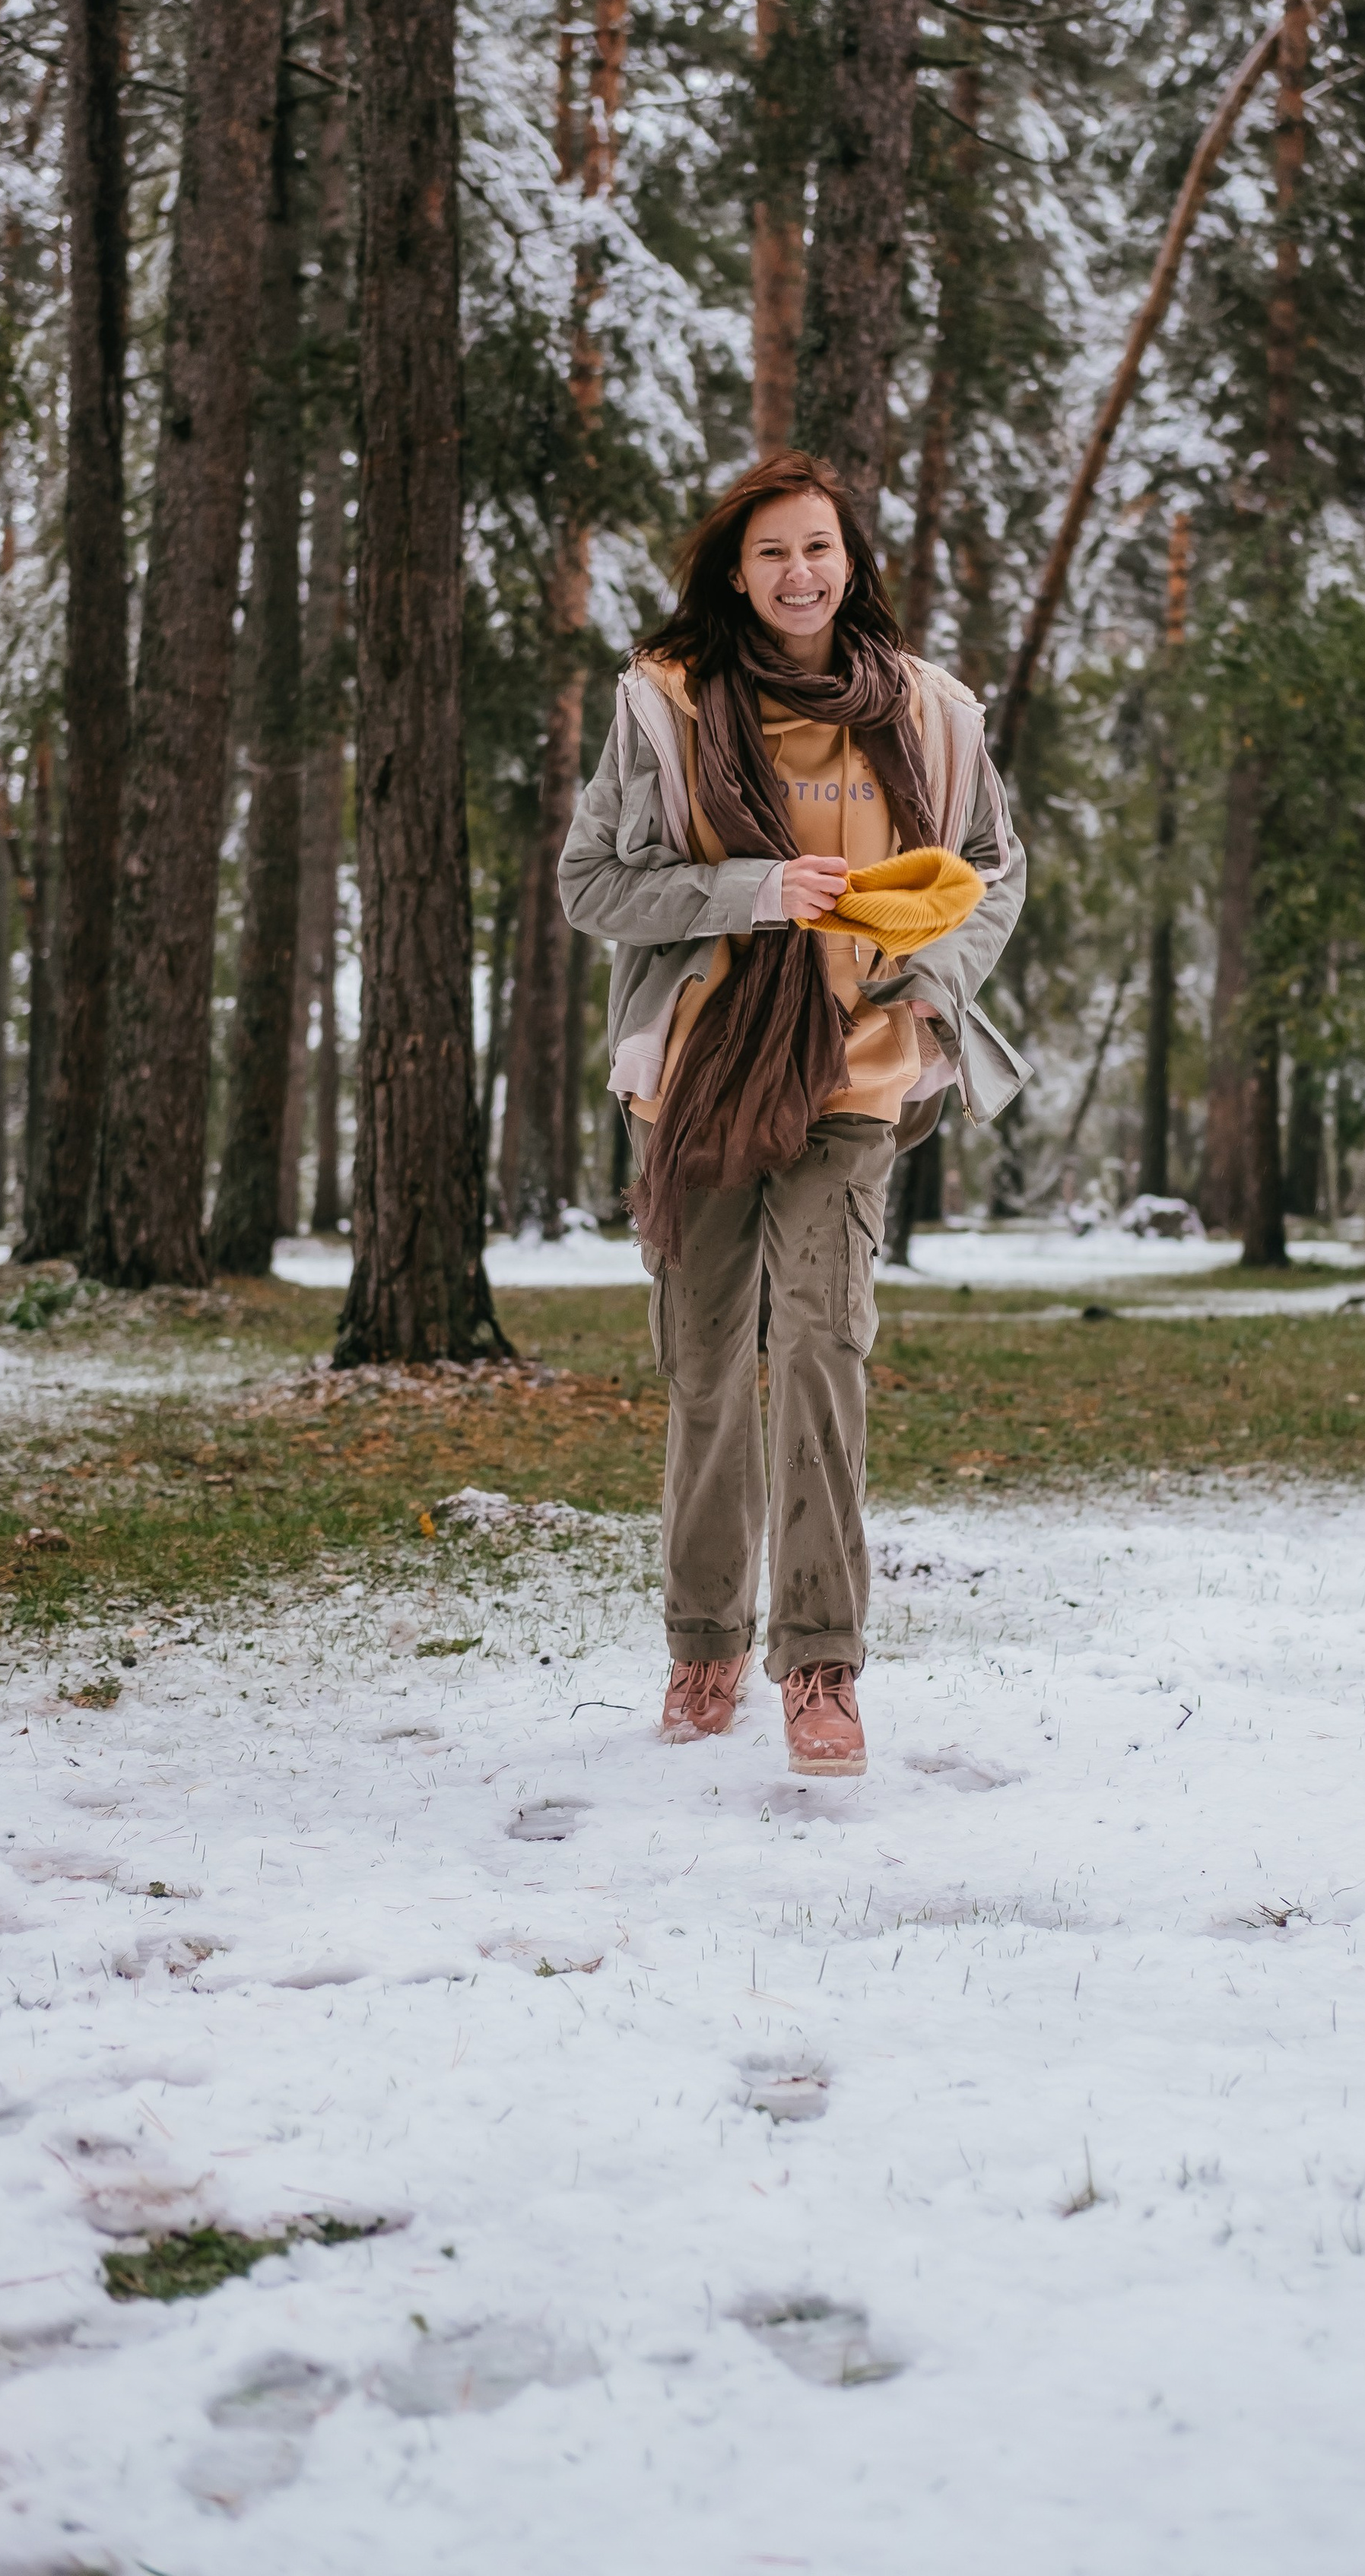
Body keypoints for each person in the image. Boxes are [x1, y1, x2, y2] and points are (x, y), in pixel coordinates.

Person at [558, 452, 1027, 1773]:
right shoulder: (667, 706)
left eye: (819, 548)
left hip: (856, 1070)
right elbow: (594, 884)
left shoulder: (930, 711)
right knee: (706, 1367)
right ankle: (704, 1644)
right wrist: (754, 892)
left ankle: (820, 1667)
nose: (800, 574)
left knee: (823, 1349)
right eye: (772, 553)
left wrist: (931, 977)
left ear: (850, 560)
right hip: (703, 1076)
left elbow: (995, 862)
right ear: (734, 569)